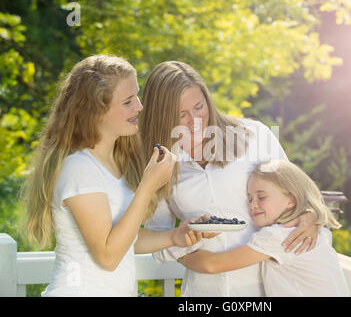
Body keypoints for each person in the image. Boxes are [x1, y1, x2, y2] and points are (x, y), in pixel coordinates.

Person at [24, 55, 211, 297]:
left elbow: (124, 239)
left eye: (137, 97)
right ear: (96, 111)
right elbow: (108, 255)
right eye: (128, 102)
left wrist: (175, 236)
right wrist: (148, 186)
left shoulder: (112, 162)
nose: (139, 107)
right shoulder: (79, 168)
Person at [139, 61, 321, 296]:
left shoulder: (254, 136)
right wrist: (188, 242)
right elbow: (159, 242)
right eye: (181, 114)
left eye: (199, 107)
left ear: (207, 100)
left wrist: (309, 217)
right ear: (163, 117)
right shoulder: (161, 164)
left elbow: (300, 196)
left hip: (267, 289)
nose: (194, 121)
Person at [179, 159, 350, 297]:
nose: (253, 205)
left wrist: (179, 254)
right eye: (250, 198)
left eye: (261, 197)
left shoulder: (279, 236)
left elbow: (212, 265)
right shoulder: (319, 231)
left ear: (291, 200)